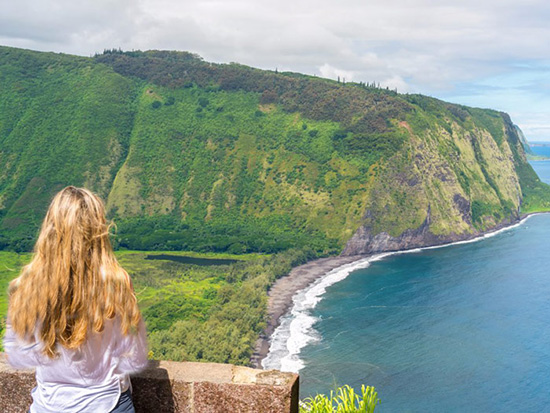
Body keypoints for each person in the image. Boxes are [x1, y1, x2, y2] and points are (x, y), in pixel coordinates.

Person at [3, 186, 148, 412]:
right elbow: (135, 354)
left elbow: (17, 353)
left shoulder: (25, 286)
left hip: (48, 405)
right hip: (106, 403)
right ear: (98, 229)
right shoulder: (117, 282)